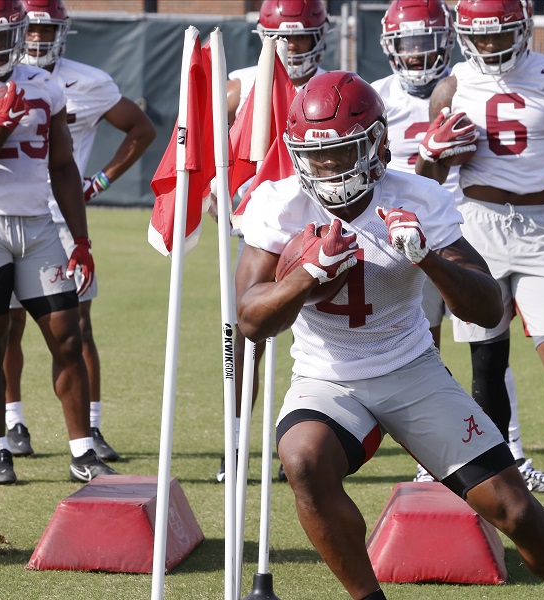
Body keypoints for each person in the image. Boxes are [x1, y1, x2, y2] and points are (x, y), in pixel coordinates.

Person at [234, 70, 544, 600]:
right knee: (304, 460)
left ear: (377, 144)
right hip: (327, 378)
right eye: (317, 155)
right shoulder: (279, 204)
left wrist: (425, 256)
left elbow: (486, 303)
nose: (328, 167)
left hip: (412, 372)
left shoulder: (418, 197)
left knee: (516, 511)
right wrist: (306, 275)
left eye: (342, 152)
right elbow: (248, 318)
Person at [0, 0, 156, 462]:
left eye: (3, 34)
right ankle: (0, 446)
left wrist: (82, 240)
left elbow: (64, 166)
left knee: (69, 334)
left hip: (41, 227)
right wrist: (0, 127)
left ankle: (84, 449)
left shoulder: (46, 85)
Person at [415, 0, 544, 529]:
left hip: (537, 228)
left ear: (523, 28)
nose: (487, 46)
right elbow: (424, 180)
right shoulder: (453, 84)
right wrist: (431, 153)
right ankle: (499, 488)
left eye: (497, 34)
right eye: (477, 36)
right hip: (474, 225)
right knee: (487, 365)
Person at [373, 0, 544, 492]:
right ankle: (426, 456)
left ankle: (512, 451)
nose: (415, 55)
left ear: (446, 39)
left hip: (462, 233)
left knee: (488, 348)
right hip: (401, 235)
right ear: (390, 47)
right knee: (420, 347)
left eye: (425, 43)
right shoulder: (375, 96)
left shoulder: (460, 86)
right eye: (406, 45)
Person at [215, 0, 330, 482]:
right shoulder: (241, 84)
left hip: (324, 228)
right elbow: (206, 144)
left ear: (319, 35)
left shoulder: (335, 86)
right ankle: (235, 442)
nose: (293, 46)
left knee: (320, 340)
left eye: (302, 36)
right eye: (284, 37)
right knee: (242, 335)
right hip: (262, 229)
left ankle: (299, 439)